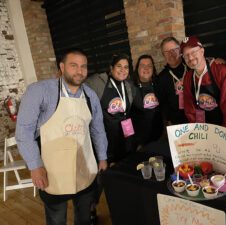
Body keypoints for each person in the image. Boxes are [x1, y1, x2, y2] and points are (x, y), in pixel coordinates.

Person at [16, 48, 108, 225]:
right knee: (56, 219)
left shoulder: (90, 96)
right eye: (73, 65)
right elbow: (24, 131)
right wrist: (35, 166)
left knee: (84, 216)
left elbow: (98, 129)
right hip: (52, 170)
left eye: (83, 66)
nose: (79, 71)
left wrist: (102, 157)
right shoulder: (39, 91)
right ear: (62, 66)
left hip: (84, 167)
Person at [86, 53, 136, 165]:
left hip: (126, 138)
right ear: (111, 68)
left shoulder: (128, 86)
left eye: (126, 67)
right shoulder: (98, 82)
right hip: (108, 141)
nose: (123, 70)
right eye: (119, 66)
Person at [180, 36, 226, 132]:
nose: (190, 58)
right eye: (186, 55)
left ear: (202, 51)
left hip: (225, 129)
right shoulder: (188, 77)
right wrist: (198, 131)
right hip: (204, 131)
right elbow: (190, 109)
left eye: (193, 52)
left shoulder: (221, 71)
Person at [131, 54, 163, 149]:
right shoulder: (130, 87)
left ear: (153, 68)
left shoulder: (159, 83)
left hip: (160, 136)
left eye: (149, 66)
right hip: (139, 141)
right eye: (142, 66)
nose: (146, 68)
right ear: (137, 68)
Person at [157, 37, 188, 125]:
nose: (171, 54)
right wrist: (168, 121)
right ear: (163, 55)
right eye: (167, 52)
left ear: (180, 50)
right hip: (177, 124)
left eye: (174, 49)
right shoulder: (161, 78)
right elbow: (163, 104)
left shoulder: (191, 67)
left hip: (198, 119)